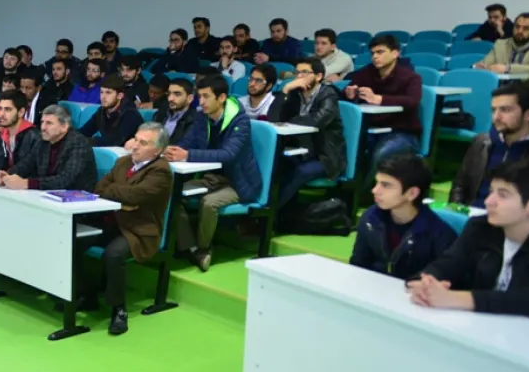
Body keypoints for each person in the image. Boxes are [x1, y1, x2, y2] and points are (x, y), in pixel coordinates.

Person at [287, 154, 457, 372]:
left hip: (416, 318)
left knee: (382, 357)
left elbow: (442, 286)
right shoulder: (370, 219)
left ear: (412, 193)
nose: (375, 190)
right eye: (377, 183)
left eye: (386, 185)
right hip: (375, 307)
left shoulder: (439, 235)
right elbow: (358, 269)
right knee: (336, 341)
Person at [408, 161, 529, 328]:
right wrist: (425, 281)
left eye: (503, 195)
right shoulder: (480, 227)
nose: (489, 201)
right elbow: (449, 262)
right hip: (485, 327)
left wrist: (457, 299)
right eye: (491, 192)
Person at [91, 123, 174, 336]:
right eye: (136, 139)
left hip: (139, 230)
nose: (135, 146)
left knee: (114, 253)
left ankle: (119, 309)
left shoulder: (161, 171)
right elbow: (99, 188)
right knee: (79, 237)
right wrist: (123, 197)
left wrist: (119, 194)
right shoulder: (122, 162)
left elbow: (135, 197)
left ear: (157, 150)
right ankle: (86, 294)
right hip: (116, 221)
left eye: (143, 143)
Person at [171, 75, 261, 272]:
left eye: (205, 97)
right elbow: (186, 144)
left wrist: (188, 155)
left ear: (221, 98)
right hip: (212, 177)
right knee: (173, 193)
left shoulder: (240, 121)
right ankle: (191, 247)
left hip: (239, 182)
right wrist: (171, 151)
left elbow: (228, 155)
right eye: (199, 96)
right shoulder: (201, 117)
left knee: (209, 203)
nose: (200, 102)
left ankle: (204, 248)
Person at [449, 83, 529, 209]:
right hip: (473, 216)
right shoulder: (481, 142)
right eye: (494, 110)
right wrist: (456, 211)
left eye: (505, 110)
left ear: (528, 114)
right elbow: (460, 185)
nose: (496, 117)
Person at [344, 34, 422, 175]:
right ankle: (352, 188)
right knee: (349, 147)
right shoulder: (367, 72)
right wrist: (349, 93)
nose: (375, 57)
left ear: (395, 53)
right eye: (372, 53)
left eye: (380, 52)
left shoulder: (411, 77)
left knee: (381, 154)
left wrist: (379, 99)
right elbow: (349, 86)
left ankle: (366, 194)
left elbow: (412, 100)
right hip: (372, 129)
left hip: (402, 132)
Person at [276, 58, 346, 209]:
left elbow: (316, 121)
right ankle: (282, 214)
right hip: (300, 151)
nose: (299, 77)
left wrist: (293, 119)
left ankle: (269, 213)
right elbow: (275, 119)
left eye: (305, 72)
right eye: (297, 72)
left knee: (300, 172)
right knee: (277, 164)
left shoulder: (329, 94)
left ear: (318, 76)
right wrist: (285, 90)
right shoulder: (295, 94)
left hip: (324, 156)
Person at [475, 11, 529, 119]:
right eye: (517, 27)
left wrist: (507, 68)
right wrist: (479, 67)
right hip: (501, 92)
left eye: (526, 28)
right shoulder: (501, 44)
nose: (519, 31)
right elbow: (485, 63)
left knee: (513, 102)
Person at [0, 105, 97, 192]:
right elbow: (27, 163)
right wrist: (8, 174)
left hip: (77, 200)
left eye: (49, 123)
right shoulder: (43, 140)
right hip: (48, 194)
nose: (43, 128)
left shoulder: (78, 143)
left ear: (64, 127)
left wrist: (26, 183)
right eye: (42, 122)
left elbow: (65, 179)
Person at [80, 75, 144, 148]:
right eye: (101, 92)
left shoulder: (130, 115)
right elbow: (84, 131)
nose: (103, 97)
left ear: (120, 96)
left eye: (108, 93)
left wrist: (84, 141)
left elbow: (114, 141)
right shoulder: (101, 111)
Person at [155, 78, 198, 148]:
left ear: (189, 98)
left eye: (177, 94)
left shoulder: (196, 120)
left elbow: (184, 147)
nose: (170, 98)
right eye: (169, 94)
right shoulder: (160, 113)